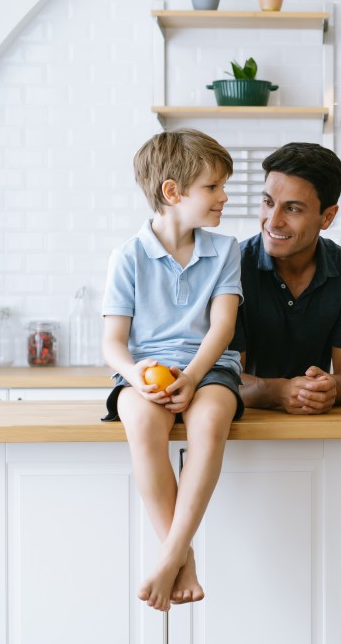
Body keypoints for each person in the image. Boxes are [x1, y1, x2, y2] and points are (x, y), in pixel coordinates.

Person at [101, 129, 244, 612]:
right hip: (146, 373)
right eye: (214, 187)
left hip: (210, 366)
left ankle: (168, 558)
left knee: (210, 422)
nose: (224, 197)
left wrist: (195, 376)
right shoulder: (128, 257)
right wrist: (137, 372)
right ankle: (181, 560)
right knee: (140, 423)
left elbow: (222, 328)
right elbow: (113, 344)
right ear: (172, 191)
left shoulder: (226, 251)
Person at [231, 142, 341, 414]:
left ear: (327, 216)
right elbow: (226, 378)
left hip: (318, 426)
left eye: (293, 209)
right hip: (244, 427)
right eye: (268, 202)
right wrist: (279, 391)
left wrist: (329, 387)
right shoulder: (231, 268)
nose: (273, 221)